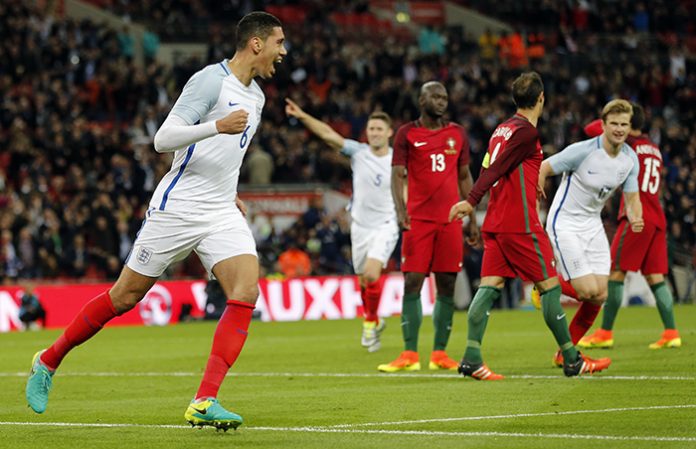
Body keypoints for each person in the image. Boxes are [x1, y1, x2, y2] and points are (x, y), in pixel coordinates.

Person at [25, 12, 287, 431]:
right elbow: (163, 139)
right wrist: (216, 125)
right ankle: (48, 361)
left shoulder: (257, 97)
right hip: (177, 208)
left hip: (220, 210)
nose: (283, 51)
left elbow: (227, 156)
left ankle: (205, 400)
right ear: (256, 43)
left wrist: (231, 190)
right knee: (124, 296)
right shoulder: (210, 81)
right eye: (279, 42)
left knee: (245, 291)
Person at [450, 72, 611, 379]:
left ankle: (472, 357)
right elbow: (496, 169)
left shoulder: (502, 129)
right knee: (549, 287)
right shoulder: (527, 132)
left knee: (489, 288)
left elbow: (490, 166)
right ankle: (572, 359)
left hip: (497, 221)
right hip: (520, 224)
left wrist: (528, 181)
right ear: (541, 99)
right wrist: (470, 201)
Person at [535, 99, 644, 366]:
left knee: (600, 295)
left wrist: (636, 216)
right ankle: (544, 283)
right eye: (614, 123)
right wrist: (536, 201)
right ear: (603, 125)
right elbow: (544, 167)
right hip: (565, 222)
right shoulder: (582, 151)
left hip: (592, 225)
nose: (619, 129)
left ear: (630, 127)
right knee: (586, 291)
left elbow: (632, 197)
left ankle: (565, 354)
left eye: (624, 124)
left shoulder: (630, 159)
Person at [378, 81, 478, 372]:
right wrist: (400, 210)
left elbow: (464, 176)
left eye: (444, 97)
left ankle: (439, 354)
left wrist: (472, 217)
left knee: (447, 284)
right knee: (413, 281)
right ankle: (409, 353)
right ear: (421, 101)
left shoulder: (457, 133)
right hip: (418, 220)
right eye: (435, 96)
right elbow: (397, 175)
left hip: (450, 220)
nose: (441, 101)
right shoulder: (407, 133)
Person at [285, 99, 397, 352]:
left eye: (379, 129)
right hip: (360, 226)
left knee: (372, 274)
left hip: (386, 223)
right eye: (371, 129)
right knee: (364, 281)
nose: (375, 133)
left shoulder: (397, 160)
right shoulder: (359, 152)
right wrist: (302, 115)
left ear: (389, 132)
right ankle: (374, 319)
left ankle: (369, 322)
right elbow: (328, 134)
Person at [578, 103, 681, 349]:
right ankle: (671, 333)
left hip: (637, 216)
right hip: (657, 217)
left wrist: (613, 111)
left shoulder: (628, 144)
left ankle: (605, 333)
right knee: (655, 277)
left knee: (616, 272)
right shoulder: (654, 148)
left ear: (629, 122)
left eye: (623, 120)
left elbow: (590, 129)